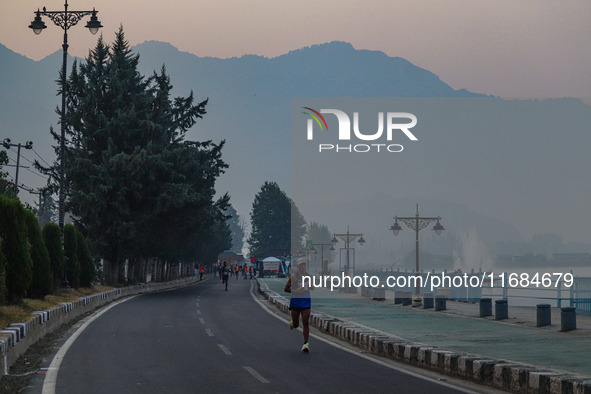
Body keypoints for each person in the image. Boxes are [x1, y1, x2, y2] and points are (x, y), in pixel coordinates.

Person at [284, 259, 314, 353]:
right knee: (296, 324)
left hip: (306, 301)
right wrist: (297, 291)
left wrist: (310, 286)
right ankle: (293, 323)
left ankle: (306, 343)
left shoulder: (309, 277)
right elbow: (286, 289)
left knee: (305, 321)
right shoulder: (294, 277)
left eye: (304, 265)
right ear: (297, 266)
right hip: (296, 301)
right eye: (301, 265)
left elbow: (313, 287)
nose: (302, 267)